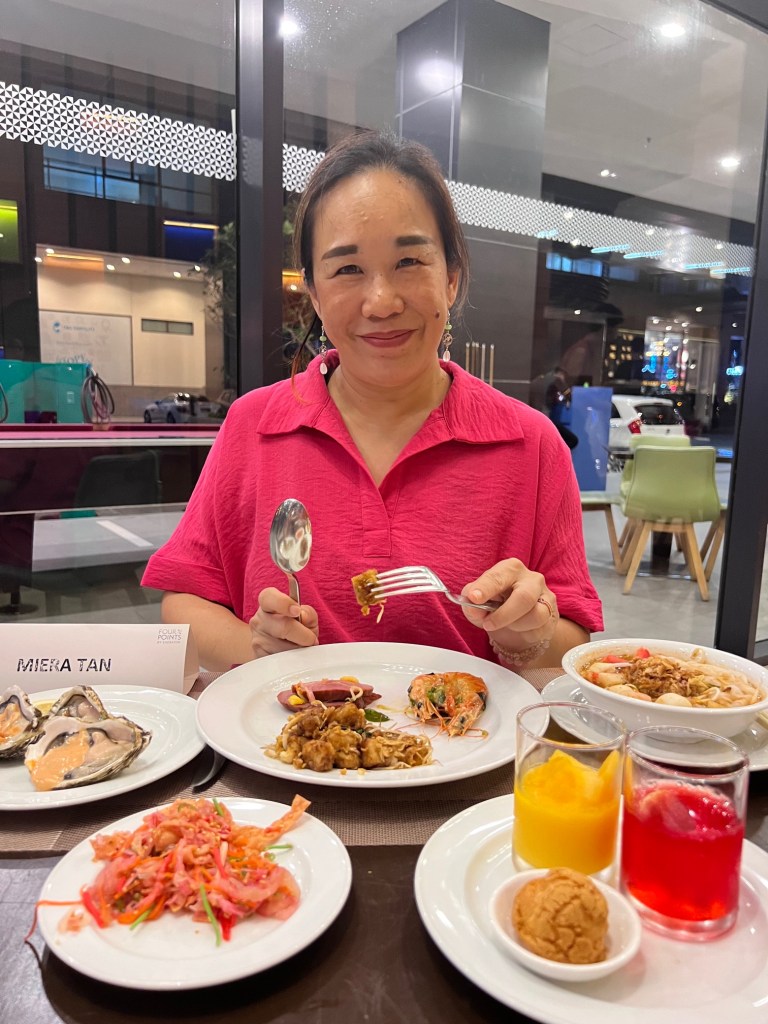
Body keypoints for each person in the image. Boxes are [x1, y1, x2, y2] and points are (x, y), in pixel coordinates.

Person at [142, 130, 603, 670]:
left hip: (469, 723)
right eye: (347, 269)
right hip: (288, 724)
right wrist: (260, 651)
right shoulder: (254, 425)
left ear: (451, 279)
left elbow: (573, 638)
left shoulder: (532, 444)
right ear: (314, 294)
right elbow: (184, 600)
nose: (381, 302)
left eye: (410, 262)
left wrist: (529, 633)